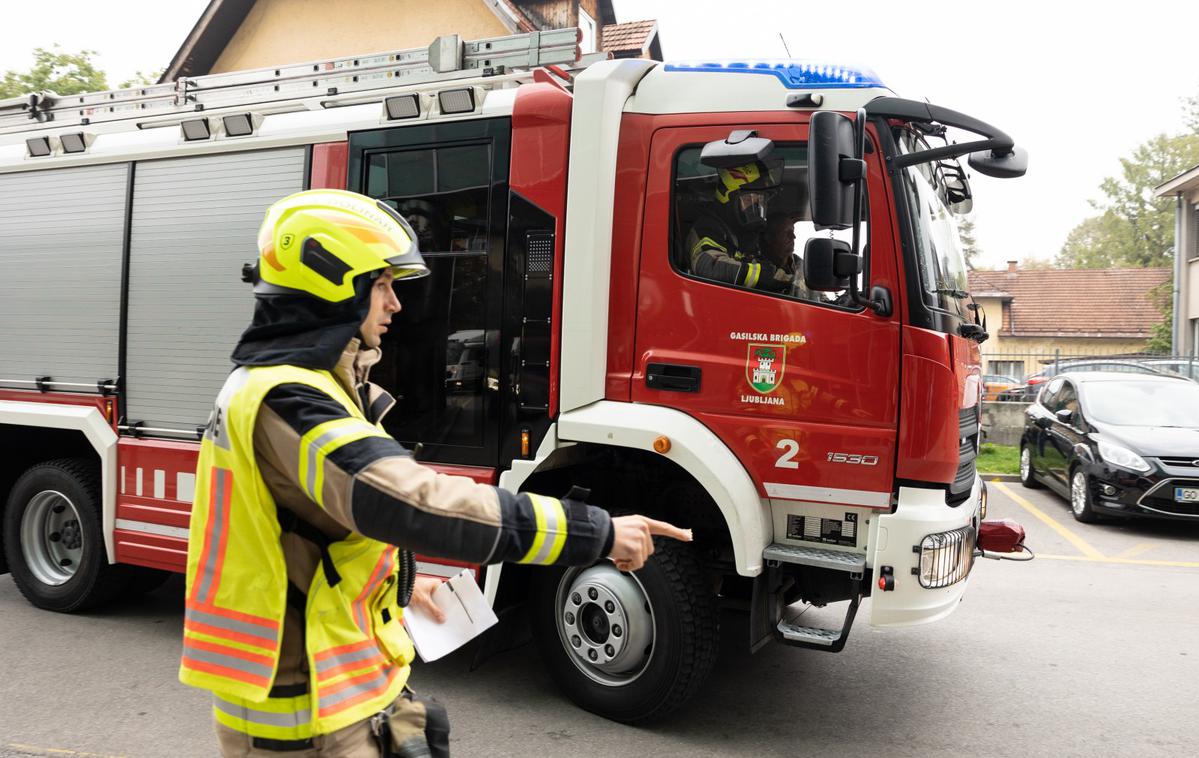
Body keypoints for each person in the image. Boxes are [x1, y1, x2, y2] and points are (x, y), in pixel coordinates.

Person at [180, 189, 691, 757]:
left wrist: (398, 587)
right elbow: (409, 502)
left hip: (328, 692)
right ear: (334, 284)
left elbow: (304, 539)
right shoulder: (289, 397)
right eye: (381, 285)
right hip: (300, 710)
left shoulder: (297, 386)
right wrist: (596, 531)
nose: (396, 304)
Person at [685, 159, 793, 294]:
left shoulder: (748, 235)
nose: (755, 206)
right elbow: (709, 266)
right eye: (748, 199)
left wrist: (796, 278)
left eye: (759, 199)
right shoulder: (707, 228)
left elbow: (776, 261)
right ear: (728, 199)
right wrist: (769, 277)